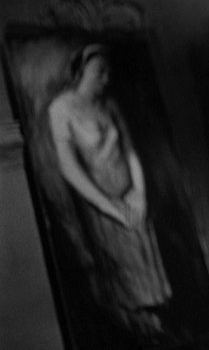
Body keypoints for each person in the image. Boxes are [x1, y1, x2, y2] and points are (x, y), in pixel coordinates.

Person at [48, 43, 172, 339]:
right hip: (103, 209)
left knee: (154, 282)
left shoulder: (109, 104)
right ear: (81, 72)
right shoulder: (61, 108)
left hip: (132, 200)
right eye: (99, 72)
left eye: (108, 72)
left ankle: (163, 332)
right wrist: (110, 206)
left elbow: (130, 151)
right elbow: (69, 168)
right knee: (127, 288)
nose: (105, 79)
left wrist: (139, 194)